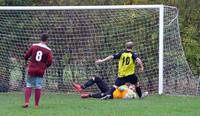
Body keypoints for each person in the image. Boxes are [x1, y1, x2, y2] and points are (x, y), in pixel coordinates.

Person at [22, 33, 52, 108]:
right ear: (47, 40)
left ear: (40, 38)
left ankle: (26, 102)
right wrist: (44, 66)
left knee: (29, 85)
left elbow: (26, 55)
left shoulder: (34, 46)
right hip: (40, 70)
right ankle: (36, 105)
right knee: (38, 87)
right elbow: (50, 61)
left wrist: (26, 59)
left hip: (32, 68)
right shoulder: (48, 50)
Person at [73, 76, 138, 99]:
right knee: (96, 78)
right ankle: (81, 87)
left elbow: (130, 97)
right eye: (132, 86)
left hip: (111, 96)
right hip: (109, 91)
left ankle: (88, 95)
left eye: (134, 87)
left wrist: (132, 92)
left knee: (103, 95)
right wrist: (126, 88)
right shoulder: (125, 87)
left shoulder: (132, 94)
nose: (132, 87)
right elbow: (120, 89)